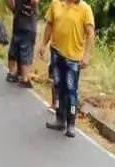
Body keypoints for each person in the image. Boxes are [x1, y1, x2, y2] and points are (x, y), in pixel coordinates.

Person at [39, 0, 94, 138]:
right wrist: (43, 44)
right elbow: (49, 25)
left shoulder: (85, 9)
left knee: (71, 91)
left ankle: (71, 124)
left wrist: (86, 55)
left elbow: (91, 33)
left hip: (73, 58)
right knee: (58, 87)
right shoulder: (56, 4)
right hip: (56, 53)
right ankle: (60, 119)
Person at [6, 0, 39, 88]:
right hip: (24, 23)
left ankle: (17, 75)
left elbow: (11, 4)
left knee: (19, 49)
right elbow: (35, 2)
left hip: (23, 24)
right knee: (21, 51)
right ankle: (20, 76)